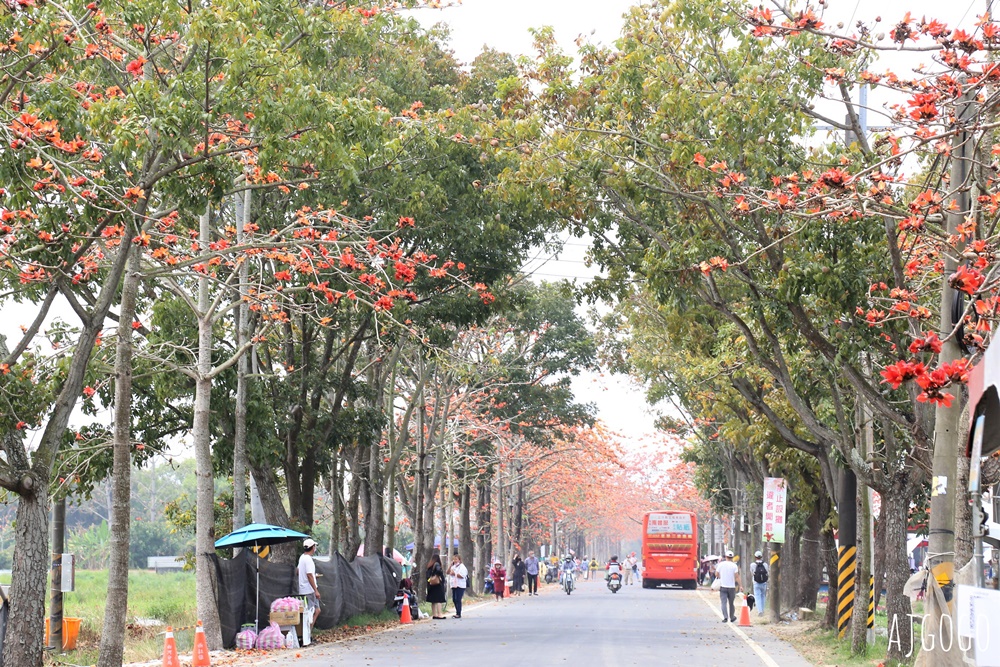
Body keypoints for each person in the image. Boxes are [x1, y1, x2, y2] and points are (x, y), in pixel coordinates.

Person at [297, 538, 322, 626]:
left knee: (313, 611)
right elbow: (309, 575)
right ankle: (307, 633)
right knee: (313, 612)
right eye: (314, 546)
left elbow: (298, 571)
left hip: (303, 589)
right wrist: (316, 590)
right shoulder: (308, 559)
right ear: (312, 547)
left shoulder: (302, 557)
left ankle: (307, 633)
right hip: (309, 590)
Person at [716, 550, 741, 622]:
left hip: (723, 587)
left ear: (726, 557)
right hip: (732, 588)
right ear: (732, 557)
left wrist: (721, 577)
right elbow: (737, 576)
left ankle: (725, 617)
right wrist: (740, 585)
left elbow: (716, 574)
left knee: (723, 602)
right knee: (731, 603)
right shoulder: (734, 565)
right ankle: (732, 617)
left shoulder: (721, 564)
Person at [425, 554, 447, 619]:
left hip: (431, 585)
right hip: (437, 585)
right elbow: (438, 571)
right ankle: (439, 614)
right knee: (439, 600)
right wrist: (437, 575)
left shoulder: (429, 566)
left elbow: (427, 576)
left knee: (433, 601)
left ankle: (434, 614)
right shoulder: (437, 564)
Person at [447, 554, 468, 618]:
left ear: (459, 560)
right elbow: (447, 572)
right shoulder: (453, 567)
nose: (455, 560)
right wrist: (450, 565)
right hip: (454, 585)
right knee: (454, 599)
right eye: (454, 559)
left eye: (456, 559)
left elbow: (462, 576)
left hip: (460, 585)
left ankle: (458, 613)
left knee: (458, 599)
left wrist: (454, 574)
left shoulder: (462, 567)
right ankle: (457, 611)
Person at [752, 550, 769, 616]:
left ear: (755, 557)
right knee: (763, 596)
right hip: (764, 583)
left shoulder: (753, 564)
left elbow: (752, 572)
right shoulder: (765, 564)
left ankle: (760, 611)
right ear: (761, 557)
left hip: (756, 583)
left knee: (757, 596)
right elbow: (767, 572)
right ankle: (762, 609)